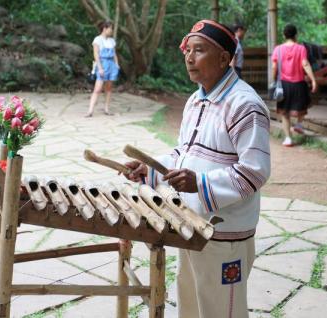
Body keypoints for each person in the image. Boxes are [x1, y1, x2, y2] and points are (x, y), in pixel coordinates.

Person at [123, 20, 271, 318]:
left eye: (199, 50)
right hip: (191, 223)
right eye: (187, 50)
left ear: (224, 58)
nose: (189, 58)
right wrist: (150, 170)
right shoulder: (196, 100)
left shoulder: (244, 105)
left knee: (221, 310)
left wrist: (200, 184)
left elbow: (255, 171)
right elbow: (184, 153)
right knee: (190, 304)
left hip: (223, 232)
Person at [272, 24, 317, 147]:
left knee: (285, 113)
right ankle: (299, 124)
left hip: (284, 85)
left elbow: (274, 67)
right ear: (296, 35)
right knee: (303, 107)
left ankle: (288, 138)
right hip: (299, 84)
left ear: (284, 35)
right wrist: (313, 79)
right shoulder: (301, 48)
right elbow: (305, 64)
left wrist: (273, 80)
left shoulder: (278, 49)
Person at [85, 21, 120, 117]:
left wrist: (117, 65)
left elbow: (114, 54)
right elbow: (96, 54)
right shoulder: (97, 40)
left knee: (108, 88)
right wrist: (100, 68)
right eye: (110, 28)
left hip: (111, 65)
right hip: (102, 64)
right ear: (105, 28)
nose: (111, 30)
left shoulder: (112, 41)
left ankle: (106, 109)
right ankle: (90, 110)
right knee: (98, 88)